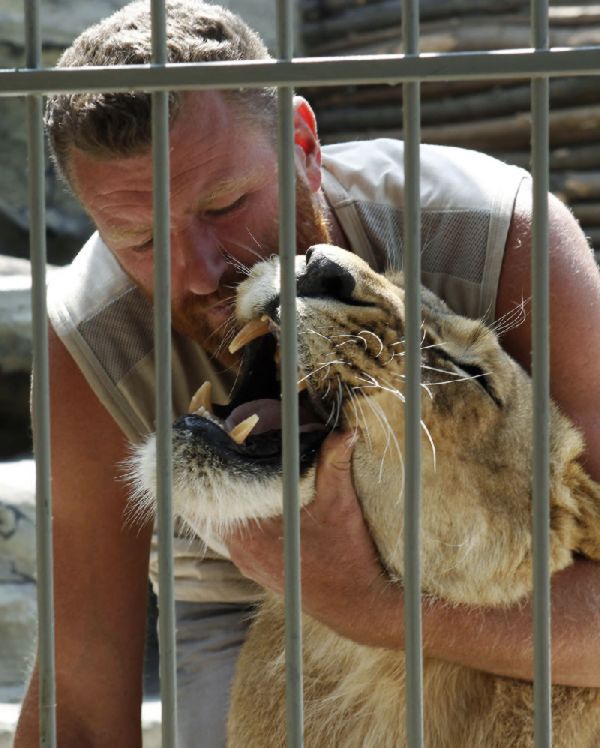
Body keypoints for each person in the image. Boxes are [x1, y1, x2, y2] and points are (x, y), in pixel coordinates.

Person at [15, 1, 600, 745]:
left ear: (304, 144)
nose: (202, 273)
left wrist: (368, 607)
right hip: (240, 589)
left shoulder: (492, 233)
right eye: (138, 239)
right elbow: (82, 705)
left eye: (225, 206)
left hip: (485, 573)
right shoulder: (95, 337)